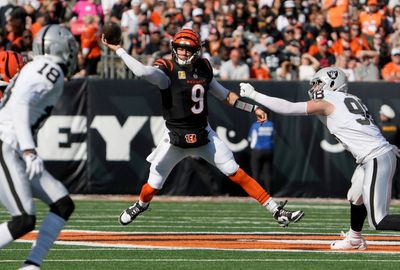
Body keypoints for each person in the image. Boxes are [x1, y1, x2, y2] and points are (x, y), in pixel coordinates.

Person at [102, 28, 304, 228]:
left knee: (236, 172)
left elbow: (225, 95)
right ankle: (140, 205)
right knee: (153, 185)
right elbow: (142, 71)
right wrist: (119, 49)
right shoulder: (167, 69)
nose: (182, 52)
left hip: (203, 134)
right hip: (174, 137)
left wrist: (252, 107)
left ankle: (276, 211)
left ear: (196, 51)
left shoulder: (204, 68)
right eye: (179, 48)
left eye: (187, 49)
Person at [240, 67, 400, 250]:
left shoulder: (329, 100)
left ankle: (356, 237)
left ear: (332, 82)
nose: (315, 88)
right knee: (355, 196)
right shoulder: (351, 99)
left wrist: (254, 94)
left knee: (379, 220)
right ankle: (354, 238)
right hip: (373, 157)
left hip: (375, 157)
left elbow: (289, 108)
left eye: (318, 83)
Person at [0, 24, 78, 269]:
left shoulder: (39, 67)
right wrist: (29, 150)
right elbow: (20, 106)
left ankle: (32, 265)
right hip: (7, 144)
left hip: (13, 146)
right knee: (23, 219)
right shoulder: (50, 69)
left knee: (63, 203)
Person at [248, 119, 274, 191]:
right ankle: (268, 193)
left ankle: (257, 193)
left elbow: (250, 138)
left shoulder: (255, 125)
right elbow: (273, 136)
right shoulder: (271, 124)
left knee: (256, 173)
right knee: (267, 173)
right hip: (268, 150)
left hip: (257, 150)